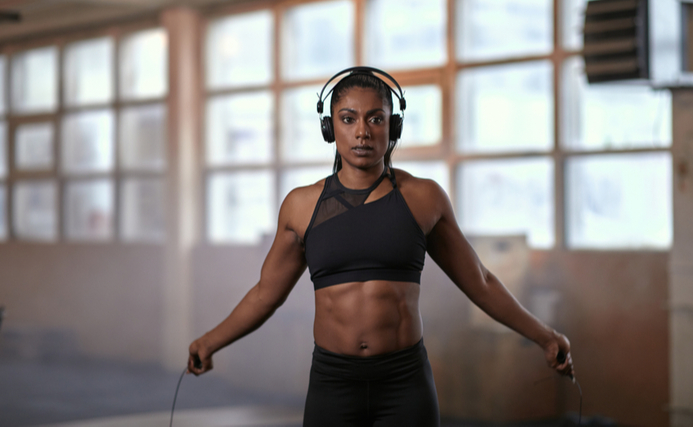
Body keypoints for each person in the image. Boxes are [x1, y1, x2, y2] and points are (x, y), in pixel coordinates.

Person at [187, 67, 574, 426]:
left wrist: (544, 335)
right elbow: (265, 295)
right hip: (332, 383)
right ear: (329, 127)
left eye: (376, 118)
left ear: (394, 126)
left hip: (404, 383)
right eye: (348, 119)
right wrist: (211, 341)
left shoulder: (424, 198)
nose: (362, 132)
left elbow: (481, 282)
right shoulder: (301, 206)